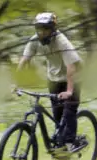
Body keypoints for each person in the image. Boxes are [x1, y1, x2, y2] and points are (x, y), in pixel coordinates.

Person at [17, 12, 82, 150]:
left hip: (73, 78)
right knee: (58, 117)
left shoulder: (62, 42)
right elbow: (24, 60)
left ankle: (70, 143)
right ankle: (62, 149)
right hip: (54, 79)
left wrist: (69, 90)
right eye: (39, 28)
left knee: (69, 111)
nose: (42, 32)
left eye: (45, 28)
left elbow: (71, 67)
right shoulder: (35, 41)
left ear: (53, 29)